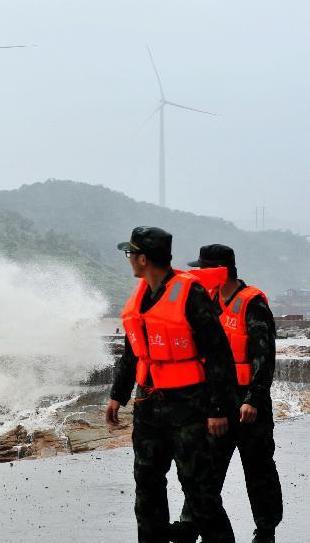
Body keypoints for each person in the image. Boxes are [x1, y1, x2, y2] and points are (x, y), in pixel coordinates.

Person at [105, 227, 237, 543]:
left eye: (130, 254)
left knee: (199, 489)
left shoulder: (190, 294)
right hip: (148, 404)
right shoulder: (139, 298)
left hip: (188, 405)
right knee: (147, 486)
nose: (129, 261)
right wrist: (117, 396)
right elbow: (133, 351)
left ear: (144, 258)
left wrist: (219, 409)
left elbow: (219, 353)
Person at [171, 245, 282, 543]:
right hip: (217, 402)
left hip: (248, 404)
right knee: (204, 467)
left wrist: (254, 399)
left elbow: (264, 355)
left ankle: (266, 529)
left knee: (258, 468)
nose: (199, 275)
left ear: (220, 270)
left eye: (204, 269)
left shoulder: (252, 303)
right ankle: (189, 522)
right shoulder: (209, 301)